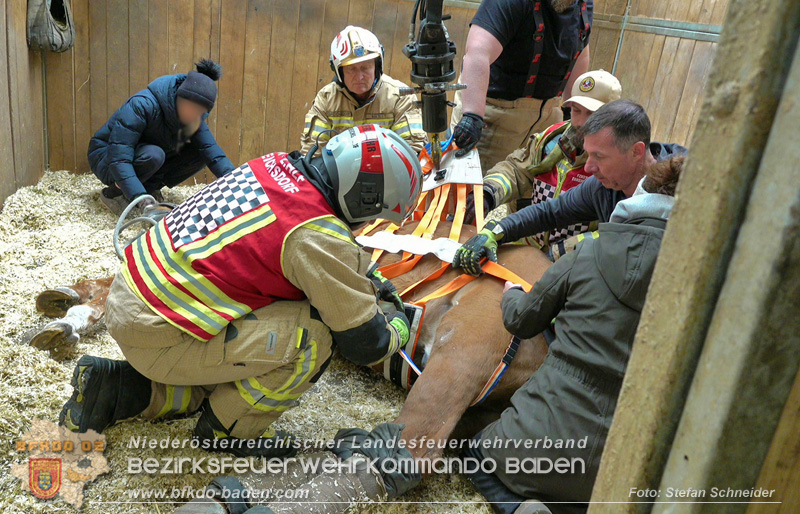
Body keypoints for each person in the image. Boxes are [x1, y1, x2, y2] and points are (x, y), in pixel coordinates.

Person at [60, 126, 422, 459]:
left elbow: (280, 242)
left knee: (251, 341)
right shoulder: (317, 235)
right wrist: (398, 324)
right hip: (158, 332)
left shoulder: (277, 164)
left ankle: (115, 390)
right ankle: (228, 430)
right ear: (366, 198)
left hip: (132, 298)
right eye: (374, 215)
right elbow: (364, 343)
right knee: (315, 336)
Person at [462, 156, 685, 514]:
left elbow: (522, 320)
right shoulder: (701, 287)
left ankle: (517, 508)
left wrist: (511, 296)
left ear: (640, 198)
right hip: (618, 467)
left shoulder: (588, 251)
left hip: (537, 444)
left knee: (475, 455)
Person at [453, 99, 687, 275]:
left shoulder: (684, 191)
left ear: (636, 151)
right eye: (575, 110)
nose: (588, 168)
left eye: (599, 156)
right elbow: (551, 212)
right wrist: (495, 232)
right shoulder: (604, 185)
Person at [466, 69, 622, 253]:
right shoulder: (551, 140)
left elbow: (617, 233)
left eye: (591, 114)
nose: (580, 122)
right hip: (525, 248)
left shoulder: (620, 160)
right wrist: (489, 193)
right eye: (576, 111)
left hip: (572, 265)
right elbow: (517, 170)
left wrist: (562, 252)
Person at [451, 0, 593, 171]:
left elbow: (580, 54)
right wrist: (472, 116)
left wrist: (572, 114)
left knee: (531, 195)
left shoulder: (582, 4)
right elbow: (478, 52)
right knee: (477, 194)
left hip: (547, 121)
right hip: (494, 117)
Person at [89, 59, 235, 215]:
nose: (193, 114)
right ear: (179, 97)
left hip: (143, 157)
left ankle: (148, 189)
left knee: (200, 153)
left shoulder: (194, 119)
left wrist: (238, 182)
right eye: (190, 107)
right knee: (154, 155)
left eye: (199, 111)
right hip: (106, 157)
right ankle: (113, 194)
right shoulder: (142, 105)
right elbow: (119, 158)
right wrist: (141, 199)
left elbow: (213, 154)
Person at [300, 26, 426, 155]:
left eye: (366, 67)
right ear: (339, 72)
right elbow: (312, 155)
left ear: (377, 66)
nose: (360, 77)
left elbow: (412, 154)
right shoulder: (326, 99)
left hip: (389, 174)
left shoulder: (400, 97)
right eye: (351, 69)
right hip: (337, 174)